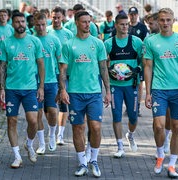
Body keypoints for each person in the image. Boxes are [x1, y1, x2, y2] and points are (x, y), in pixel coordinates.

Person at [58, 11, 111, 177]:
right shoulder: (68, 44)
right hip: (75, 94)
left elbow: (103, 68)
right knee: (78, 128)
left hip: (94, 93)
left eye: (89, 22)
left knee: (95, 127)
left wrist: (108, 91)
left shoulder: (97, 44)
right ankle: (82, 163)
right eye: (84, 22)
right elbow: (62, 71)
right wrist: (63, 90)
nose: (88, 25)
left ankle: (93, 160)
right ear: (76, 23)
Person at [144, 8, 178, 178]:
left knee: (177, 127)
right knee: (158, 125)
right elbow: (148, 67)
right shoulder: (151, 41)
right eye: (162, 20)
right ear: (158, 21)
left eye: (168, 20)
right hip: (159, 89)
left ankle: (172, 165)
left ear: (173, 21)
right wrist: (147, 92)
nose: (165, 23)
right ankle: (160, 155)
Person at [0, 12, 45, 168]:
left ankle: (29, 144)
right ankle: (17, 156)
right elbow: (2, 67)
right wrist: (2, 88)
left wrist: (41, 87)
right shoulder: (6, 43)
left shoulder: (34, 41)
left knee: (33, 121)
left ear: (26, 23)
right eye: (17, 22)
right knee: (11, 121)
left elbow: (40, 64)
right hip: (12, 89)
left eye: (22, 21)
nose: (20, 24)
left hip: (30, 88)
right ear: (13, 24)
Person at [104, 14, 143, 158]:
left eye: (127, 24)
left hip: (131, 85)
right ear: (116, 25)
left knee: (133, 118)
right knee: (116, 116)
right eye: (122, 24)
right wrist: (110, 71)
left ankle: (130, 135)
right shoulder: (108, 43)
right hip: (115, 86)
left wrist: (137, 70)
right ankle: (120, 146)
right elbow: (102, 63)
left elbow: (144, 61)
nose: (125, 27)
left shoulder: (136, 42)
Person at [33, 12, 62, 154]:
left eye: (43, 24)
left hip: (51, 81)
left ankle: (51, 135)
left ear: (46, 23)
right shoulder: (31, 40)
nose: (40, 27)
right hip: (34, 82)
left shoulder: (54, 40)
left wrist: (61, 85)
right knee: (37, 113)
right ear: (34, 24)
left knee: (52, 111)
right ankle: (41, 143)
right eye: (38, 25)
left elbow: (60, 62)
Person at [145, 12, 171, 154]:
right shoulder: (149, 40)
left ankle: (166, 137)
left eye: (152, 22)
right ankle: (159, 146)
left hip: (171, 83)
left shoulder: (171, 38)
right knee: (157, 120)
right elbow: (146, 64)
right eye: (149, 23)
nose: (151, 25)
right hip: (157, 84)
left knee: (169, 116)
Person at [47, 7, 74, 145]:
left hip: (64, 74)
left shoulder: (68, 34)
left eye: (58, 17)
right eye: (53, 17)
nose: (56, 20)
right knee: (50, 107)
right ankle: (51, 130)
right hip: (49, 75)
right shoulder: (46, 31)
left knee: (63, 103)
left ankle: (60, 134)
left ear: (63, 17)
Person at [128, 6, 149, 117]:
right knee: (128, 84)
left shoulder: (142, 27)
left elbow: (146, 42)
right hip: (127, 60)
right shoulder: (126, 27)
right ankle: (128, 106)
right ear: (128, 15)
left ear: (137, 15)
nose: (133, 16)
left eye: (135, 14)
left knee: (140, 84)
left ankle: (138, 107)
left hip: (139, 60)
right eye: (131, 14)